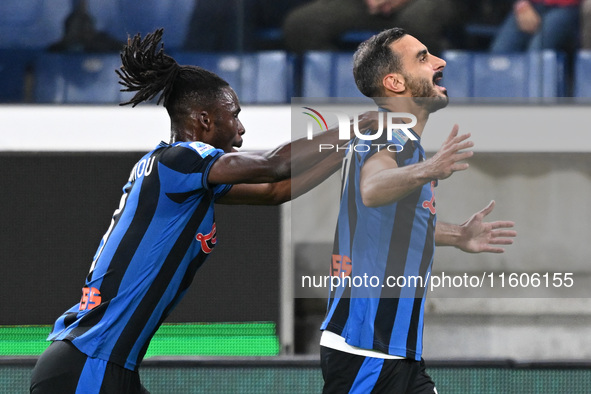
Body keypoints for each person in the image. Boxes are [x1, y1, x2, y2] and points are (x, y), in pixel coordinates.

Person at [29, 28, 375, 393]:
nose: (241, 130)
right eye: (235, 115)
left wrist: (351, 149)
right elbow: (274, 164)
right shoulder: (182, 158)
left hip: (100, 365)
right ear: (204, 121)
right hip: (89, 365)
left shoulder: (180, 174)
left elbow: (275, 191)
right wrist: (356, 126)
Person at [319, 27, 517, 393]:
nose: (440, 62)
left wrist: (458, 235)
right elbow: (372, 190)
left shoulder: (403, 142)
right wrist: (429, 169)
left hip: (395, 354)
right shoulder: (381, 131)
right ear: (394, 82)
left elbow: (390, 220)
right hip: (367, 350)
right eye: (423, 57)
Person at [282, 0, 460, 55]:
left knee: (419, 22)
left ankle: (427, 95)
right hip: (367, 5)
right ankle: (349, 86)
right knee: (302, 24)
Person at [490, 0, 581, 53]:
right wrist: (521, 5)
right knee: (500, 52)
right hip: (530, 5)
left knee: (536, 51)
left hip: (568, 7)